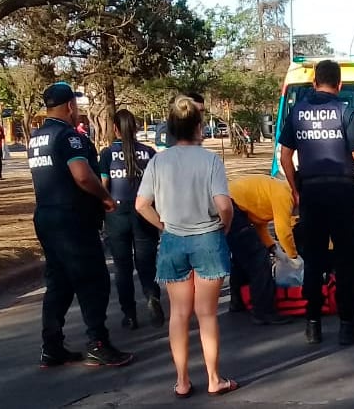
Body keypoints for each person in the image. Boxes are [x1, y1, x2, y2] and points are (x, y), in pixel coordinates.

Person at [135, 95, 236, 397]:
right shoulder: (210, 160)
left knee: (179, 313)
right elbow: (224, 205)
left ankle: (181, 380)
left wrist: (162, 225)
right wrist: (225, 223)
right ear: (198, 127)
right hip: (207, 237)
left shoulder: (158, 160)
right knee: (206, 313)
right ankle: (214, 378)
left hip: (173, 240)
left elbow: (141, 204)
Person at [29, 82, 133, 368]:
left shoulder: (37, 137)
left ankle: (52, 345)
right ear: (71, 106)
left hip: (47, 216)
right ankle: (98, 342)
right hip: (72, 219)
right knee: (92, 280)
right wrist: (106, 198)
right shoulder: (68, 137)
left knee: (59, 281)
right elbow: (82, 175)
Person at [279, 59, 354, 346]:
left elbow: (285, 157)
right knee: (345, 260)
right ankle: (347, 326)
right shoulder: (344, 110)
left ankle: (313, 325)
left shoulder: (297, 111)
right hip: (342, 194)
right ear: (339, 84)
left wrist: (296, 190)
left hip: (311, 195)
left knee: (314, 258)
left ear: (315, 82)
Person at [99, 109, 163, 330]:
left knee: (122, 267)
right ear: (135, 127)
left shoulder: (107, 154)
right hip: (144, 211)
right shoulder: (149, 152)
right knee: (146, 262)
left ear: (115, 128)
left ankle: (129, 315)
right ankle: (152, 296)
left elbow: (104, 185)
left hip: (116, 213)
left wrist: (102, 211)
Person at [225, 174, 294, 325]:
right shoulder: (285, 195)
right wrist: (293, 256)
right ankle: (264, 311)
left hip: (229, 203)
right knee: (259, 259)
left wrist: (273, 248)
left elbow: (259, 225)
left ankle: (238, 301)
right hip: (230, 206)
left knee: (243, 255)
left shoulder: (276, 190)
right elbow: (283, 231)